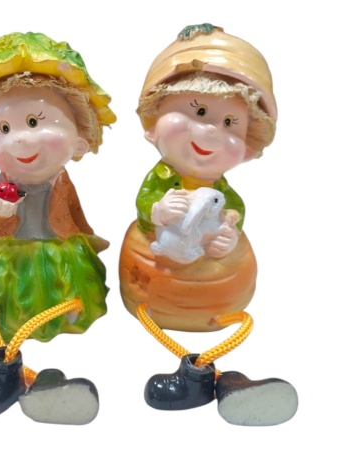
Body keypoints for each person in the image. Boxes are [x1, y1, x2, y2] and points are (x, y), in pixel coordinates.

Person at [119, 23, 298, 426]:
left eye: (231, 123)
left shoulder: (223, 193)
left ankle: (216, 381)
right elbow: (145, 202)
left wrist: (228, 237)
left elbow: (234, 210)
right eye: (198, 111)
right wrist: (157, 211)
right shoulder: (161, 180)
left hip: (218, 301)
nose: (211, 133)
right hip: (154, 283)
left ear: (248, 147)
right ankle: (210, 380)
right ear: (152, 123)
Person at [0, 32, 115, 424]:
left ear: (80, 138)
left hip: (59, 251)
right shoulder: (4, 185)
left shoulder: (60, 181)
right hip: (6, 253)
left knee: (69, 294)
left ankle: (51, 337)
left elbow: (72, 217)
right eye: (3, 129)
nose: (20, 139)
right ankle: (10, 368)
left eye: (35, 121)